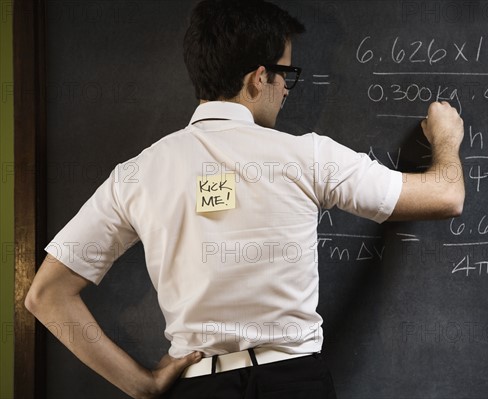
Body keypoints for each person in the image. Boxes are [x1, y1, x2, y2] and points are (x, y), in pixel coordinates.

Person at [25, 0, 465, 398]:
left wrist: (140, 384)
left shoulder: (137, 174)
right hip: (294, 384)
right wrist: (446, 139)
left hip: (197, 387)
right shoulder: (306, 155)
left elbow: (46, 295)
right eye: (286, 73)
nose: (288, 89)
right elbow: (446, 196)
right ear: (259, 78)